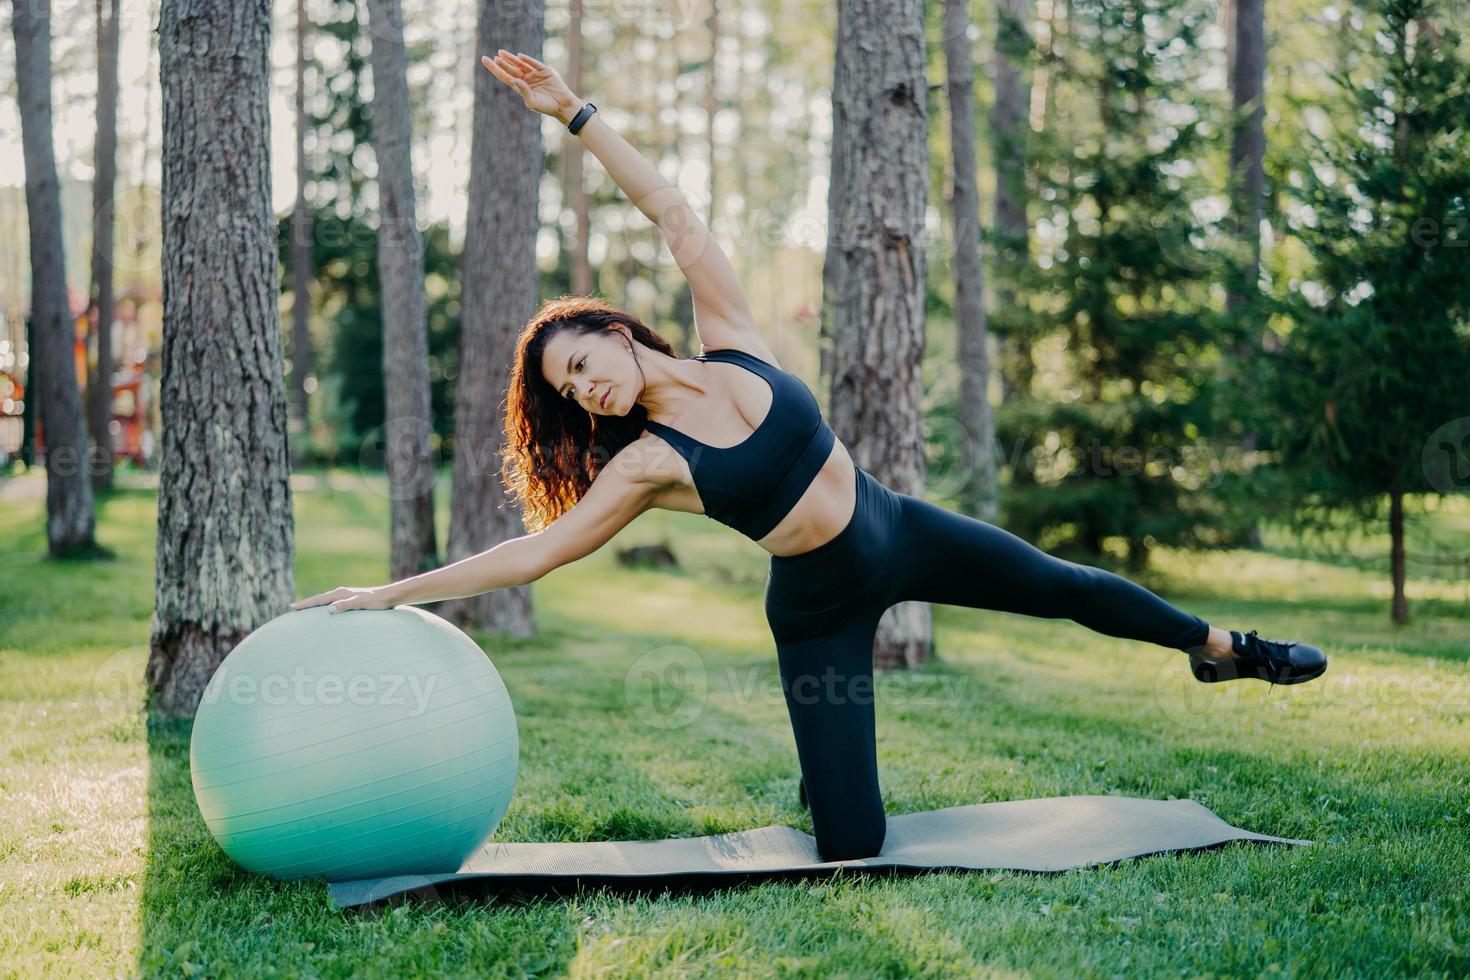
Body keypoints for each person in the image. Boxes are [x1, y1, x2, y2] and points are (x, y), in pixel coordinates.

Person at [292, 50, 1327, 863]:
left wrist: (578, 115)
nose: (587, 387)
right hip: (820, 604)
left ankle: (1224, 645)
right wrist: (393, 592)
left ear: (615, 330)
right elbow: (534, 555)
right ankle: (825, 766)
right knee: (850, 845)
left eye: (582, 361)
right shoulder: (646, 464)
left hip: (896, 527)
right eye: (568, 392)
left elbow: (675, 213)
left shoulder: (729, 333)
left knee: (1065, 583)